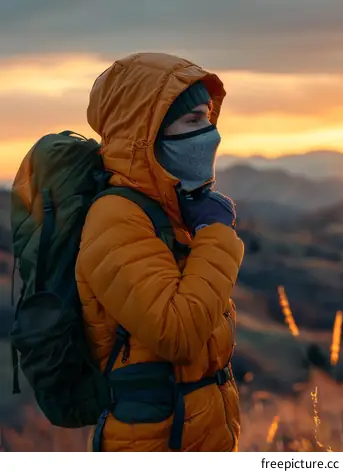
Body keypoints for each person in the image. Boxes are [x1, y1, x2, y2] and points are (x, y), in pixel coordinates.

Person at [75, 52, 244, 451]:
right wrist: (214, 232)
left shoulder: (169, 210)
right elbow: (179, 334)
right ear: (148, 134)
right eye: (193, 120)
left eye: (208, 117)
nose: (211, 134)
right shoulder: (116, 218)